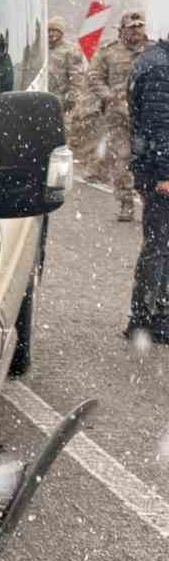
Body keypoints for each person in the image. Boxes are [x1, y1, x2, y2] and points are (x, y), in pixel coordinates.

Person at [85, 10, 151, 221]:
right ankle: (126, 203)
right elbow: (94, 77)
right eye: (131, 28)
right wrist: (110, 97)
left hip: (148, 117)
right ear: (122, 29)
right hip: (118, 117)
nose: (136, 31)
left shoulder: (154, 51)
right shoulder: (109, 52)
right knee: (122, 159)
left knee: (150, 160)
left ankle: (151, 204)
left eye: (139, 26)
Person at [126, 29, 169, 340]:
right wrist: (165, 175)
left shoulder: (155, 61)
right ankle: (145, 318)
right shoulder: (161, 69)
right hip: (160, 174)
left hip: (154, 169)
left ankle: (158, 316)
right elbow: (160, 128)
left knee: (161, 245)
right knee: (158, 246)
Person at [47, 15, 89, 146]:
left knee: (62, 136)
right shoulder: (42, 49)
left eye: (55, 30)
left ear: (61, 33)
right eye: (49, 30)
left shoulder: (70, 50)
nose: (51, 34)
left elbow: (77, 78)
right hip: (45, 98)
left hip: (62, 101)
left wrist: (71, 99)